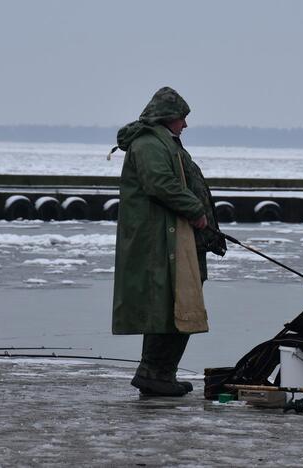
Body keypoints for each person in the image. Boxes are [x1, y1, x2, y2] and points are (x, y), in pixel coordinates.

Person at [112, 87, 226, 397]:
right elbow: (159, 183)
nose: (185, 125)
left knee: (177, 304)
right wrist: (194, 210)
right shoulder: (150, 144)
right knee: (169, 305)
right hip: (161, 240)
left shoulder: (165, 142)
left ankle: (158, 373)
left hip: (176, 237)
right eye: (182, 118)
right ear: (167, 118)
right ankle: (155, 374)